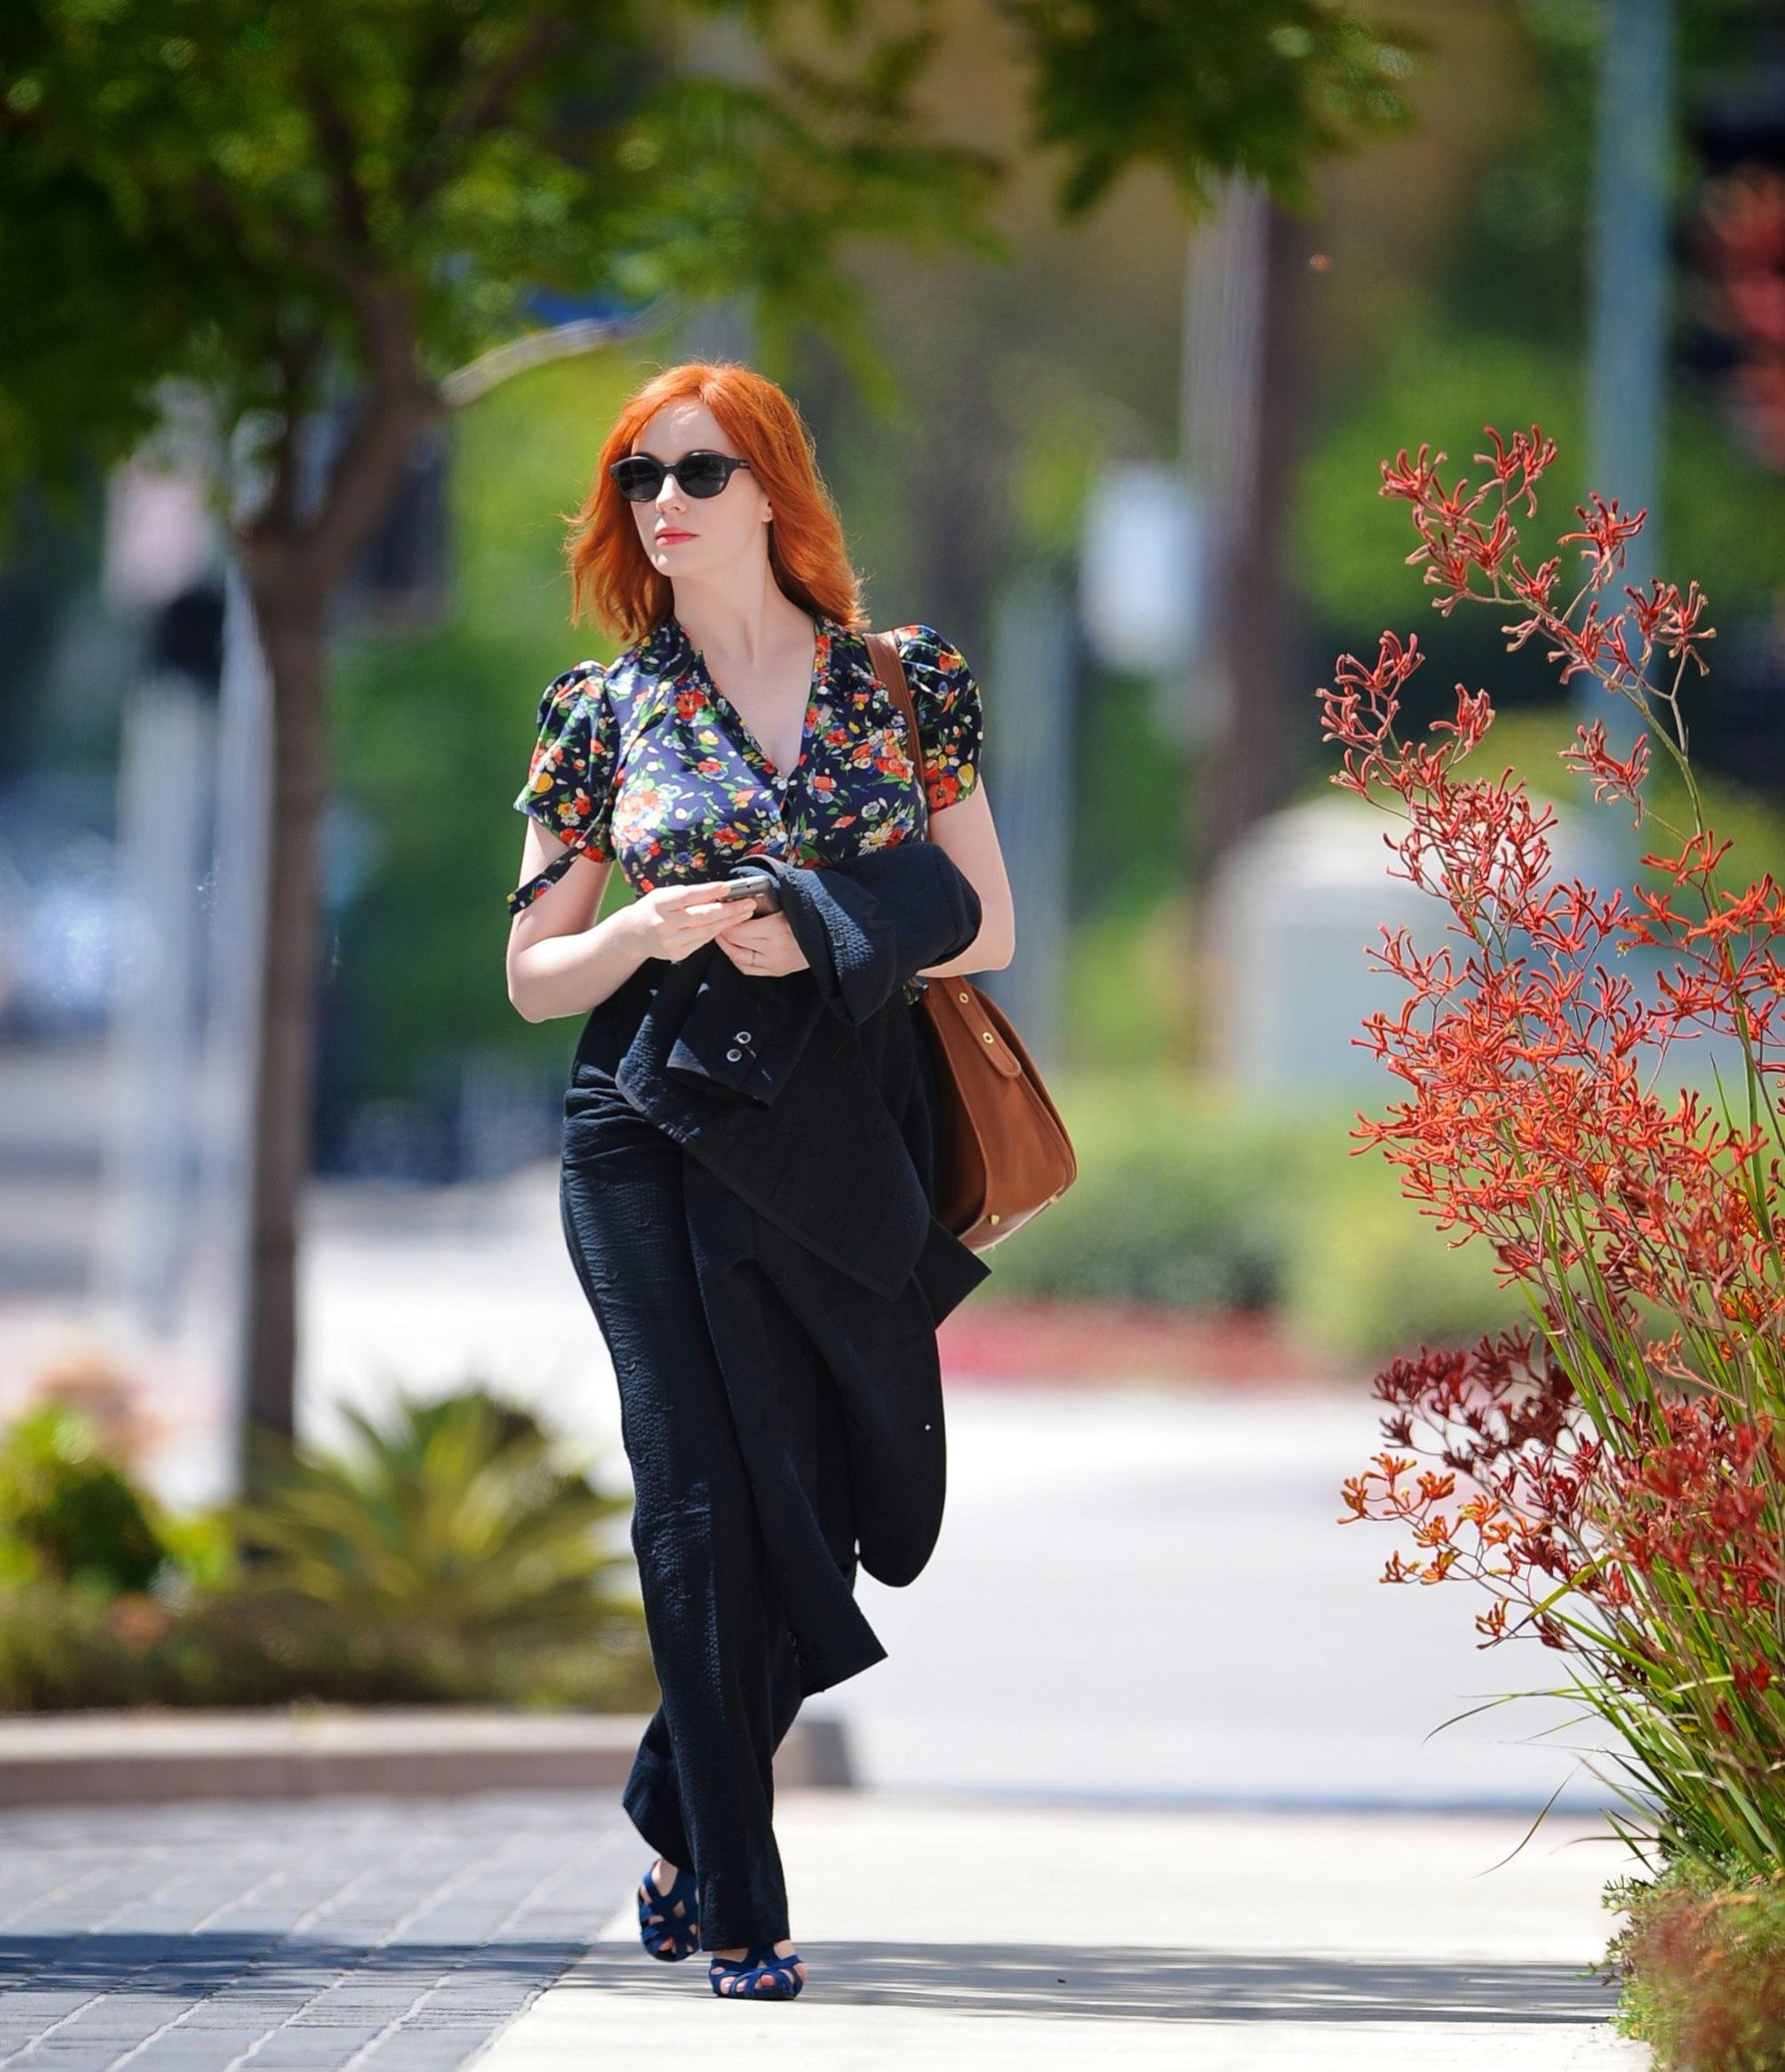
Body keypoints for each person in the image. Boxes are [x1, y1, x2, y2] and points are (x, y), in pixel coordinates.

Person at [503, 359, 1015, 2001]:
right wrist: (640, 927)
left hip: (836, 1124)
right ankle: (740, 1893)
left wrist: (821, 917)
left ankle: (670, 1795)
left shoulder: (901, 680)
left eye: (700, 471)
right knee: (696, 1492)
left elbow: (988, 921)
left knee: (835, 1492)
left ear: (773, 489)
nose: (664, 500)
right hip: (646, 1117)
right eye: (640, 473)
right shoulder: (598, 712)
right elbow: (529, 973)